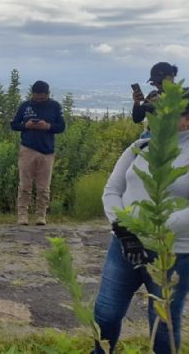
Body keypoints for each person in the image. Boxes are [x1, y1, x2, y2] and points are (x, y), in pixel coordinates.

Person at [94, 100, 189, 354]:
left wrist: (153, 230)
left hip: (173, 253)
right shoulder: (139, 148)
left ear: (186, 120)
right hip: (125, 246)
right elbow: (112, 191)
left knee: (162, 323)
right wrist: (123, 230)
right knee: (105, 314)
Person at [10, 80, 65, 225]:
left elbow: (61, 127)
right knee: (25, 185)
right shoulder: (25, 106)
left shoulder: (55, 106)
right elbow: (14, 124)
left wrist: (47, 126)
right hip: (28, 148)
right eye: (36, 97)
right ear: (32, 94)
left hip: (47, 151)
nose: (39, 100)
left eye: (42, 98)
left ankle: (41, 215)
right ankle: (22, 215)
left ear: (48, 94)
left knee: (43, 187)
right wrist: (25, 126)